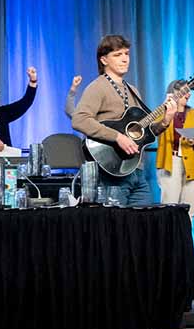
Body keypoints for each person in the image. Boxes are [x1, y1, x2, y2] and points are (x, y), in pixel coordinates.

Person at [72, 35, 175, 206]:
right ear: (104, 60)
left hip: (136, 170)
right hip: (111, 172)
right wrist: (118, 137)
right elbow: (79, 119)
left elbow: (144, 132)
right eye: (117, 54)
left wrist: (165, 120)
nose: (125, 59)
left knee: (145, 220)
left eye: (126, 53)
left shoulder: (132, 90)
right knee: (116, 221)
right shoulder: (97, 87)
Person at [156, 79, 194, 219]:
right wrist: (167, 108)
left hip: (191, 163)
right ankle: (168, 234)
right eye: (185, 91)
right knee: (170, 206)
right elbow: (154, 128)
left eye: (189, 91)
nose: (188, 94)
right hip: (171, 162)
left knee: (189, 208)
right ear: (174, 93)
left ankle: (186, 233)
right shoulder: (162, 112)